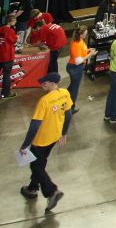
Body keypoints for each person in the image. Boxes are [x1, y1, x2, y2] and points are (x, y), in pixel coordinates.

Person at [18, 72, 72, 212]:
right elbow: (68, 114)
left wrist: (25, 145)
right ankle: (32, 188)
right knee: (40, 162)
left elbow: (35, 125)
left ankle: (52, 191)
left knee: (36, 167)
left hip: (41, 140)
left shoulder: (44, 101)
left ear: (53, 83)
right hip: (54, 136)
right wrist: (64, 133)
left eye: (45, 82)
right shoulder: (65, 93)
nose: (42, 84)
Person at [66, 26, 96, 114]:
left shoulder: (80, 40)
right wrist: (90, 54)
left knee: (72, 86)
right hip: (75, 68)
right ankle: (71, 108)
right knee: (74, 89)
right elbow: (78, 61)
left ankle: (64, 97)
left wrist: (88, 50)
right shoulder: (76, 44)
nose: (87, 34)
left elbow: (81, 51)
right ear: (81, 34)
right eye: (86, 33)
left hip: (75, 68)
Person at [0, 14, 16, 100]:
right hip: (7, 56)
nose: (15, 21)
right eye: (14, 20)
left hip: (0, 55)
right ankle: (5, 94)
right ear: (11, 21)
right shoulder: (10, 31)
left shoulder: (1, 29)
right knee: (6, 75)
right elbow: (14, 40)